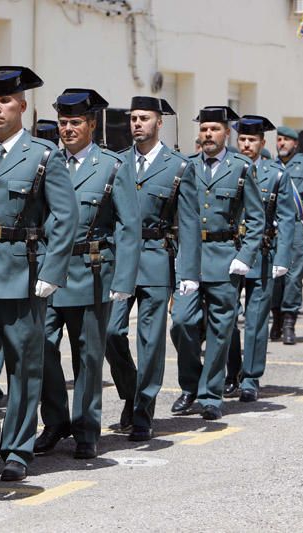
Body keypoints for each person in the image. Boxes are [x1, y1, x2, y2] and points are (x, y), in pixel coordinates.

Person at [0, 66, 78, 482]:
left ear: (22, 106)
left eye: (5, 100)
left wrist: (53, 269)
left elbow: (65, 217)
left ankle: (18, 448)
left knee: (24, 366)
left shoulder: (44, 155)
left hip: (25, 273)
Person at [37, 88, 139, 459]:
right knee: (41, 348)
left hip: (91, 271)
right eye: (63, 123)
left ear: (91, 124)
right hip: (49, 271)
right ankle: (55, 420)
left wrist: (124, 280)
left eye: (75, 122)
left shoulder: (112, 165)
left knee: (88, 356)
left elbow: (129, 227)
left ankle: (85, 428)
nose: (67, 129)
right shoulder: (46, 161)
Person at [103, 96, 201, 440]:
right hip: (120, 260)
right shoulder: (115, 163)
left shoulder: (178, 166)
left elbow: (188, 223)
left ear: (160, 123)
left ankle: (144, 409)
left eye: (144, 118)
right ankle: (131, 391)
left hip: (157, 258)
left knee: (150, 341)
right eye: (133, 118)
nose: (136, 124)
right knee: (112, 332)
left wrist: (188, 272)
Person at [170, 106, 264, 421]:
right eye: (205, 129)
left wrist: (245, 257)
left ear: (227, 133)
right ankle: (190, 385)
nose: (208, 134)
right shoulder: (186, 166)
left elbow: (256, 219)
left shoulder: (241, 167)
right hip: (192, 256)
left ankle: (211, 395)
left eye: (215, 129)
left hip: (225, 255)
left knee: (220, 329)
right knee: (182, 321)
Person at [224, 116, 294, 402]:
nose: (246, 144)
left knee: (255, 320)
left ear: (262, 143)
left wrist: (283, 257)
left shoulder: (276, 174)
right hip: (229, 254)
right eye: (242, 139)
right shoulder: (226, 169)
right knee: (225, 317)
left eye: (252, 140)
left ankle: (251, 377)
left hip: (262, 255)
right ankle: (232, 372)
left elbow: (287, 219)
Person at [270, 126, 303, 343]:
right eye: (278, 139)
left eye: (286, 140)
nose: (281, 143)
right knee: (273, 278)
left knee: (293, 277)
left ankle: (289, 321)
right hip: (273, 227)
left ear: (295, 144)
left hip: (297, 228)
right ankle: (277, 318)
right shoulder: (269, 165)